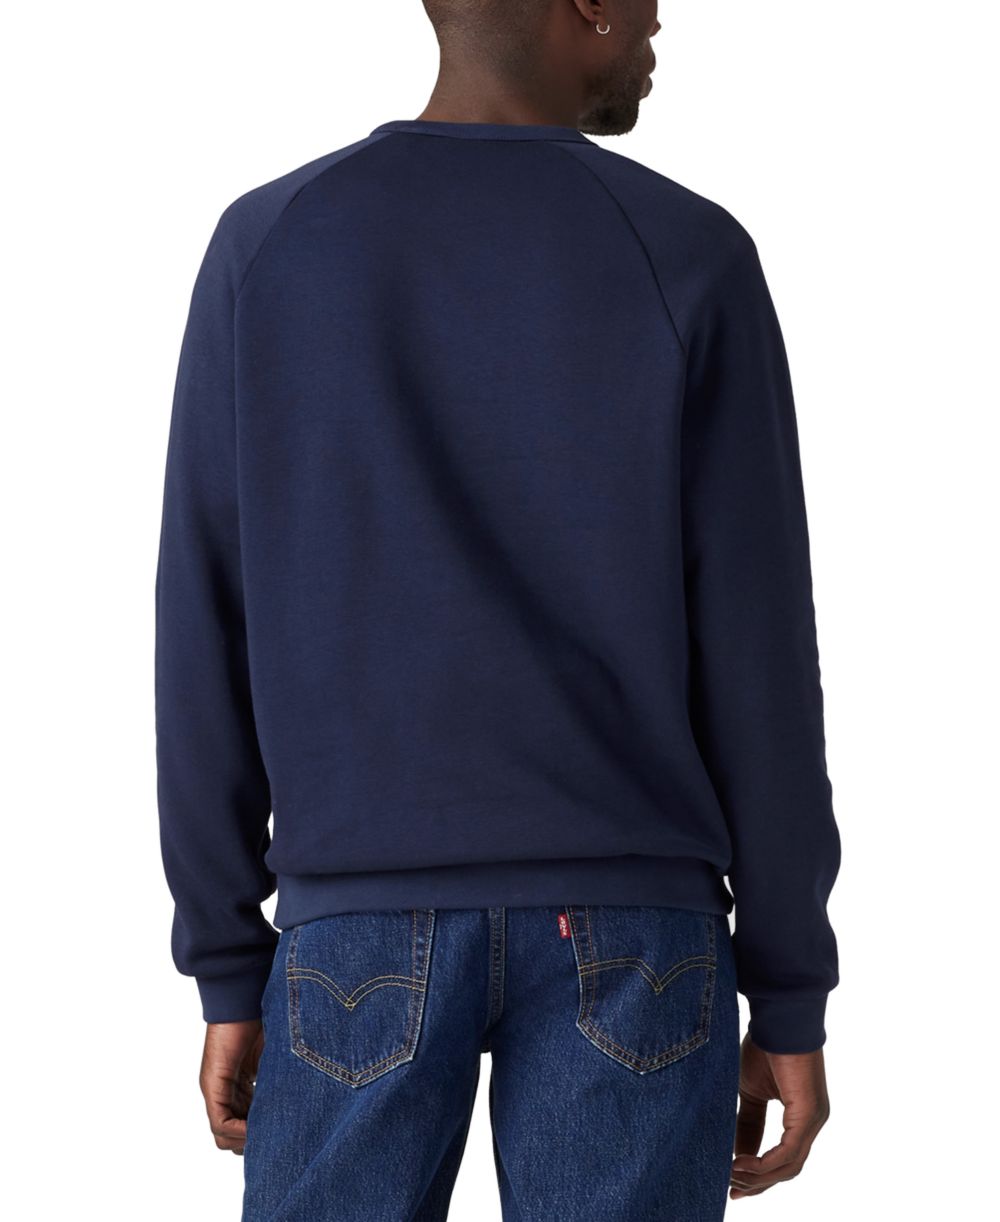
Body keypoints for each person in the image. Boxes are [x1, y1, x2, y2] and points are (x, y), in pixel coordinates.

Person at [154, 1, 842, 1217]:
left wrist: (227, 955)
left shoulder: (272, 242)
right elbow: (760, 654)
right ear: (585, 4)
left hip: (354, 927)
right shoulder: (685, 251)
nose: (660, 15)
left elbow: (203, 619)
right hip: (634, 932)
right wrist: (788, 987)